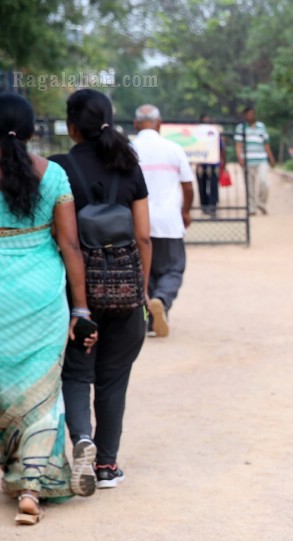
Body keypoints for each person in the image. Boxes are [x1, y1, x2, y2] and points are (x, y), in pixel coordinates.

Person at [0, 93, 97, 524]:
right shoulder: (53, 174)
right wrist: (81, 309)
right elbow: (70, 245)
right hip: (42, 296)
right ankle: (32, 488)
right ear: (31, 131)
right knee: (42, 395)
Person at [50, 89, 152, 491]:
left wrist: (79, 303)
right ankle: (108, 465)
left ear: (72, 127)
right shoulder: (129, 166)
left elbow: (63, 237)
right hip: (125, 291)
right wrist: (139, 290)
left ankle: (83, 441)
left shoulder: (60, 168)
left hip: (81, 296)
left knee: (77, 374)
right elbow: (143, 237)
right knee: (113, 379)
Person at [131, 104, 195, 338]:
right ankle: (162, 300)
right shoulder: (173, 149)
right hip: (168, 221)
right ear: (160, 123)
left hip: (137, 222)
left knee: (143, 272)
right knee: (172, 268)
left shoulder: (128, 149)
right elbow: (187, 186)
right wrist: (186, 212)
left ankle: (148, 319)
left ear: (136, 124)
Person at [234, 105, 274, 215]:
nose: (251, 116)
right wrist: (240, 157)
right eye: (249, 114)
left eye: (252, 114)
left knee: (264, 182)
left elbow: (266, 144)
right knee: (249, 185)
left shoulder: (261, 127)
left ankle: (261, 203)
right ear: (245, 116)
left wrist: (271, 158)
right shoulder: (240, 128)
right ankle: (251, 207)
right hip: (247, 160)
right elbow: (238, 145)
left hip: (261, 159)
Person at [196, 114, 225, 215]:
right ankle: (204, 206)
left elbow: (221, 149)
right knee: (202, 185)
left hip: (214, 164)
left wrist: (223, 163)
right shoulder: (197, 134)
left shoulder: (215, 133)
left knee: (213, 186)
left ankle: (212, 206)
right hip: (201, 164)